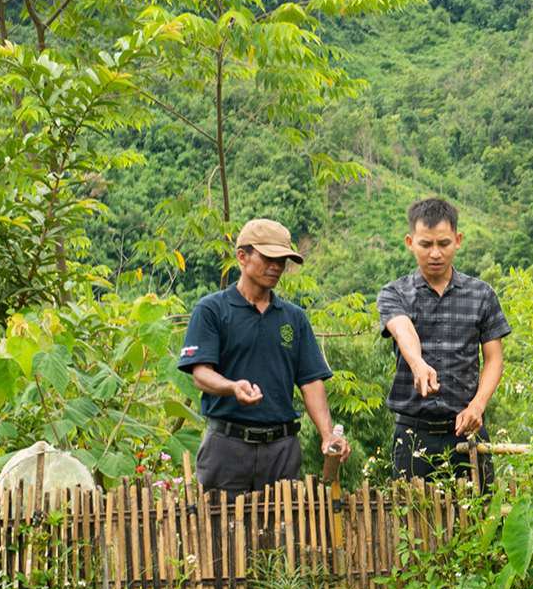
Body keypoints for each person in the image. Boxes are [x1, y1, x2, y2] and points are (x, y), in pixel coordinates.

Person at [177, 218, 348, 495]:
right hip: (226, 445)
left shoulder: (294, 318)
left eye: (282, 261)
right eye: (269, 258)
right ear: (242, 256)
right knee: (222, 530)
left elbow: (311, 382)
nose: (276, 267)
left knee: (283, 532)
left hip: (282, 448)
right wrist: (232, 387)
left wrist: (327, 434)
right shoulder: (212, 310)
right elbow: (201, 374)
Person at [378, 197, 510, 484]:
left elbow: (494, 358)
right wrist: (418, 364)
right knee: (413, 521)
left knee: (480, 518)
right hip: (413, 433)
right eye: (425, 245)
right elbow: (402, 329)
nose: (435, 253)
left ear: (458, 240)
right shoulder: (394, 293)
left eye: (443, 243)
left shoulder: (482, 295)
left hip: (467, 430)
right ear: (410, 242)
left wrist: (478, 405)